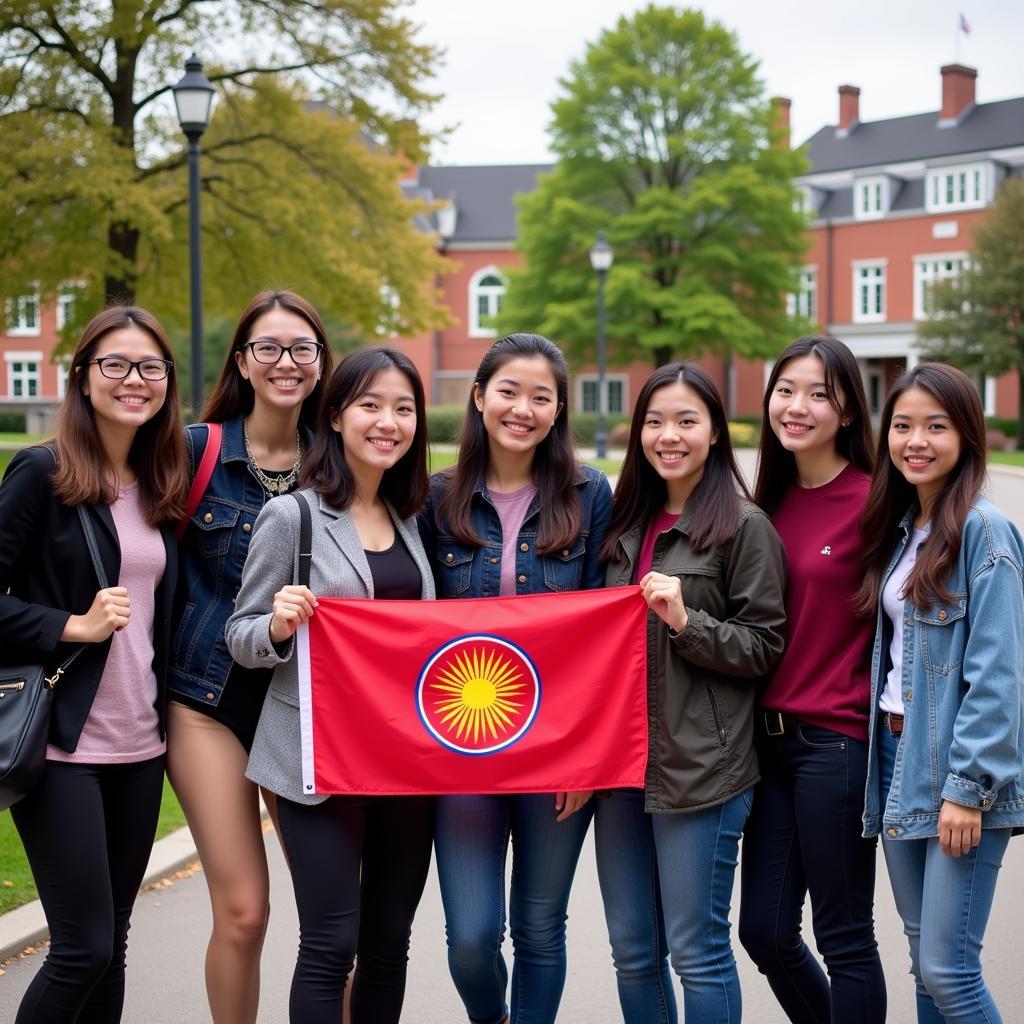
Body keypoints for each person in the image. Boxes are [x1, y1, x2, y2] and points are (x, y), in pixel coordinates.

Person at [225, 347, 435, 1024]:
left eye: (404, 409)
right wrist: (279, 628)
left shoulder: (411, 521)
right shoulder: (294, 517)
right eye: (371, 405)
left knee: (387, 944)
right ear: (337, 416)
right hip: (318, 764)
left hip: (404, 765)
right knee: (330, 943)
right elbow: (241, 634)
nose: (389, 422)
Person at [0, 306, 188, 1023]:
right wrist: (68, 626)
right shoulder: (43, 471)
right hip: (60, 743)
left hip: (139, 746)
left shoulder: (158, 481)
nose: (133, 380)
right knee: (83, 947)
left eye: (150, 367)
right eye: (115, 364)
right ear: (82, 376)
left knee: (115, 944)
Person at [418, 332, 612, 1024]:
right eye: (508, 391)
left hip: (556, 747)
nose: (522, 408)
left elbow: (602, 635)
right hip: (461, 746)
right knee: (471, 937)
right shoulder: (434, 497)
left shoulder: (590, 495)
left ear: (559, 410)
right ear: (478, 396)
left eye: (541, 397)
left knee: (538, 929)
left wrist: (586, 755)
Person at [599, 362, 786, 1024]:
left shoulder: (744, 525)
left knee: (695, 952)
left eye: (686, 420)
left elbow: (764, 647)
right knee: (632, 952)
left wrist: (685, 621)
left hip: (701, 770)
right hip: (618, 769)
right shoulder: (619, 523)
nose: (667, 435)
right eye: (654, 421)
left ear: (714, 432)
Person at [166, 289, 332, 1024]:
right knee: (244, 912)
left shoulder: (342, 464)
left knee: (335, 916)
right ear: (243, 360)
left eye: (302, 348)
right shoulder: (195, 451)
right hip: (208, 703)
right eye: (268, 348)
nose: (285, 362)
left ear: (322, 363)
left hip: (305, 711)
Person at [856, 363, 1024, 1024]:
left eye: (936, 426)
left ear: (966, 436)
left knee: (948, 970)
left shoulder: (985, 532)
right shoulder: (904, 530)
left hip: (955, 773)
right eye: (902, 426)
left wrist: (968, 787)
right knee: (925, 962)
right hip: (898, 761)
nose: (915, 441)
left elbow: (1000, 671)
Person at [738, 336, 887, 1022]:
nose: (796, 407)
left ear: (850, 411)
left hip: (837, 742)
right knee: (763, 931)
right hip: (764, 745)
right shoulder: (762, 500)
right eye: (786, 390)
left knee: (845, 938)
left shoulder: (877, 503)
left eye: (819, 394)